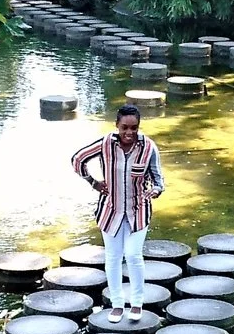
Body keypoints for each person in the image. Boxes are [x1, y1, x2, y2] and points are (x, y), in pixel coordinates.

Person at [68, 103, 165, 316]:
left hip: (138, 211)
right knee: (113, 257)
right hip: (110, 211)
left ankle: (137, 302)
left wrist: (156, 190)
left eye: (134, 128)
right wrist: (93, 182)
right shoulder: (105, 144)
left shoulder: (148, 147)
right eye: (125, 128)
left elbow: (159, 179)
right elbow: (77, 160)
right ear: (117, 126)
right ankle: (117, 304)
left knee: (133, 255)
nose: (129, 133)